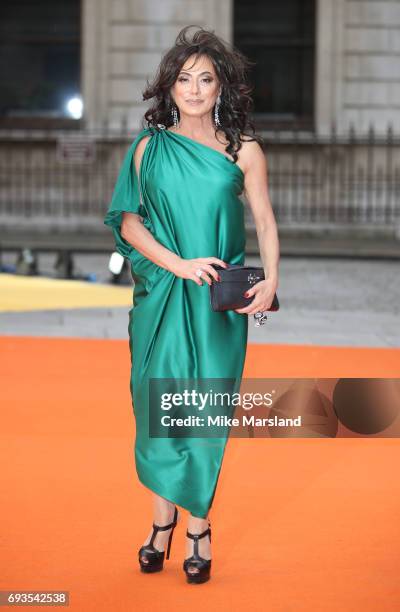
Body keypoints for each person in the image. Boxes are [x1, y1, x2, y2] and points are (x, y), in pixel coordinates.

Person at [103, 25, 279, 584]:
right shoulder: (148, 149)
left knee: (203, 415)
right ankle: (161, 525)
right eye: (185, 79)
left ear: (222, 86)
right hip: (160, 298)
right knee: (157, 414)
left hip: (217, 307)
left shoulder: (243, 151)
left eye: (206, 79)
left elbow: (266, 223)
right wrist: (179, 264)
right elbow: (129, 224)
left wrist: (270, 281)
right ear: (169, 88)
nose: (196, 89)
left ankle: (197, 530)